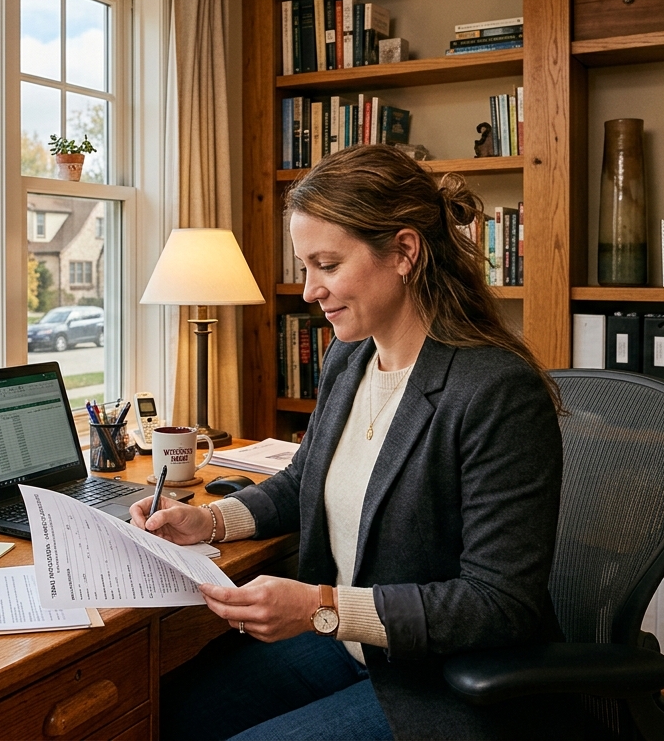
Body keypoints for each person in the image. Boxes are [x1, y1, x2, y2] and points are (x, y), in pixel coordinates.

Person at [131, 144, 568, 740]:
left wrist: (320, 607)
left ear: (404, 252)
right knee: (169, 708)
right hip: (351, 644)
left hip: (441, 676)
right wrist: (207, 522)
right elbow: (305, 477)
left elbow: (498, 603)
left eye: (327, 264)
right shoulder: (350, 356)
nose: (309, 290)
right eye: (304, 266)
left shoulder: (495, 391)